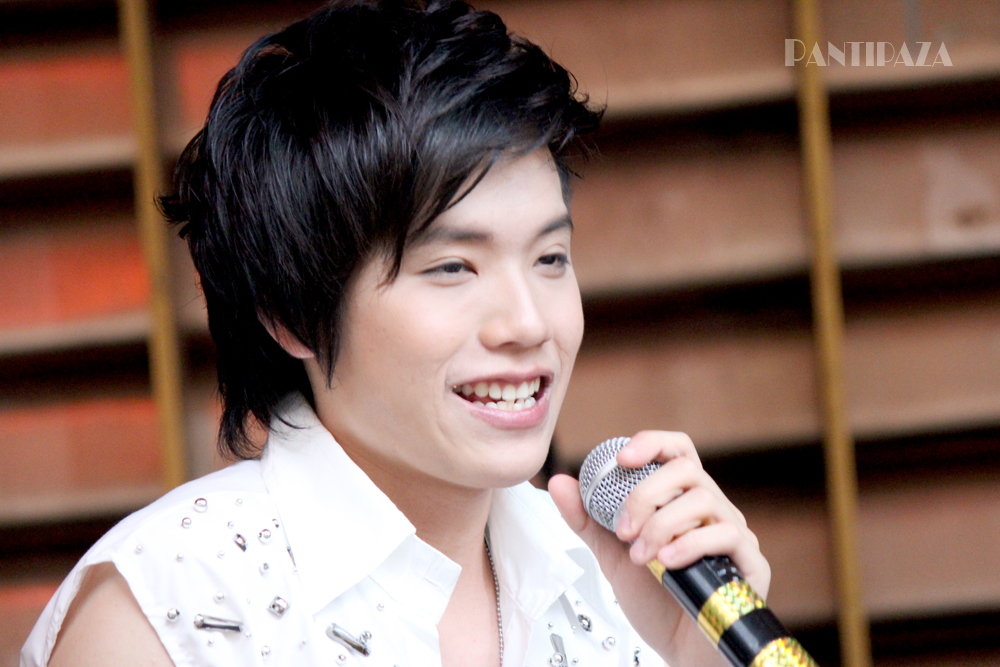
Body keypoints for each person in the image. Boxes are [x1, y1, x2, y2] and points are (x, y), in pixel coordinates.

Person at [22, 1, 770, 666]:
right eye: (452, 268)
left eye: (550, 257)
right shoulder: (168, 612)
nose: (529, 323)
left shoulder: (618, 586)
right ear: (292, 312)